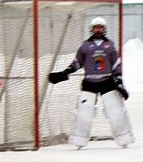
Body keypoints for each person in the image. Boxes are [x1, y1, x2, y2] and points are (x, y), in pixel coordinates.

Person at [48, 17, 134, 148]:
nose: (98, 30)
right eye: (95, 27)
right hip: (89, 82)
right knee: (84, 112)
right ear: (91, 29)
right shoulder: (85, 46)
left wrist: (119, 81)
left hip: (107, 81)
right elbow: (77, 62)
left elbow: (116, 64)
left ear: (104, 29)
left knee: (115, 110)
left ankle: (124, 137)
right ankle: (79, 139)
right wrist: (65, 72)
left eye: (100, 27)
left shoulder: (110, 46)